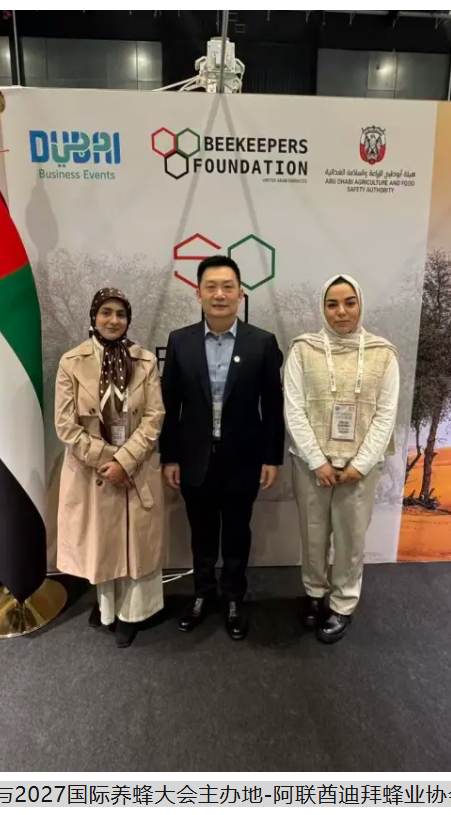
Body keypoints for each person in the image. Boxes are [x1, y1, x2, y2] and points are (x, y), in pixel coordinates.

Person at [160, 255, 285, 641]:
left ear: (240, 294)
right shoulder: (180, 342)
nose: (219, 294)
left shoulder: (261, 342)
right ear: (198, 293)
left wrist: (272, 457)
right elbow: (169, 406)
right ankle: (202, 594)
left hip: (243, 459)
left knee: (236, 532)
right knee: (200, 532)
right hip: (194, 459)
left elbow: (273, 405)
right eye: (211, 287)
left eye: (227, 287)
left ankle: (233, 597)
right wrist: (169, 456)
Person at [283, 275, 399, 644]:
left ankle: (342, 604)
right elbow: (294, 409)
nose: (341, 312)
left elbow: (386, 414)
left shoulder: (383, 353)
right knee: (313, 535)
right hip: (310, 465)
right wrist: (316, 460)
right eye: (332, 304)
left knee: (351, 541)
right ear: (323, 308)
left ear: (360, 304)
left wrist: (360, 464)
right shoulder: (303, 350)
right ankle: (314, 594)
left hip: (359, 469)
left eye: (349, 302)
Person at [54, 288, 166, 648]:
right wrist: (108, 460)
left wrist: (125, 461)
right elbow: (65, 426)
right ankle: (106, 607)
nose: (113, 320)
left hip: (135, 467)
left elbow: (154, 417)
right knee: (102, 544)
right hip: (93, 472)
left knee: (136, 545)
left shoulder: (144, 361)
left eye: (120, 313)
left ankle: (133, 613)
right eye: (106, 312)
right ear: (94, 316)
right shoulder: (71, 362)